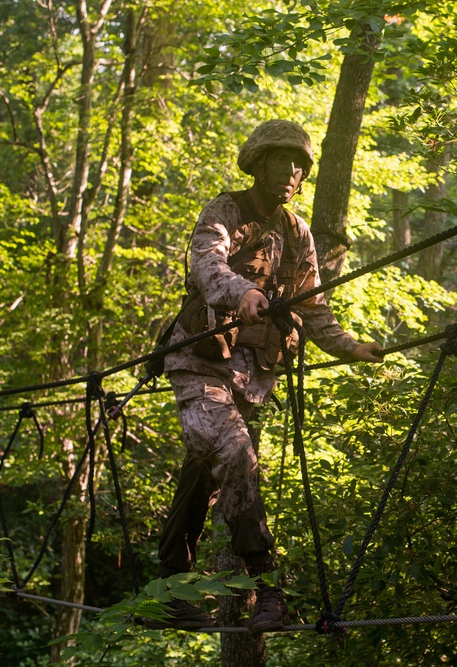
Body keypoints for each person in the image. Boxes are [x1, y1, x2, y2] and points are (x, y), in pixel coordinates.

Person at [148, 120, 383, 631]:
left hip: (252, 376)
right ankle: (269, 585)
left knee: (201, 477)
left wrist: (350, 347)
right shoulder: (225, 211)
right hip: (199, 363)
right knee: (234, 453)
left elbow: (313, 305)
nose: (291, 172)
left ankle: (167, 591)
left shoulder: (297, 232)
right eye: (280, 160)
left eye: (299, 164)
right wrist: (243, 292)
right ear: (257, 162)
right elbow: (207, 267)